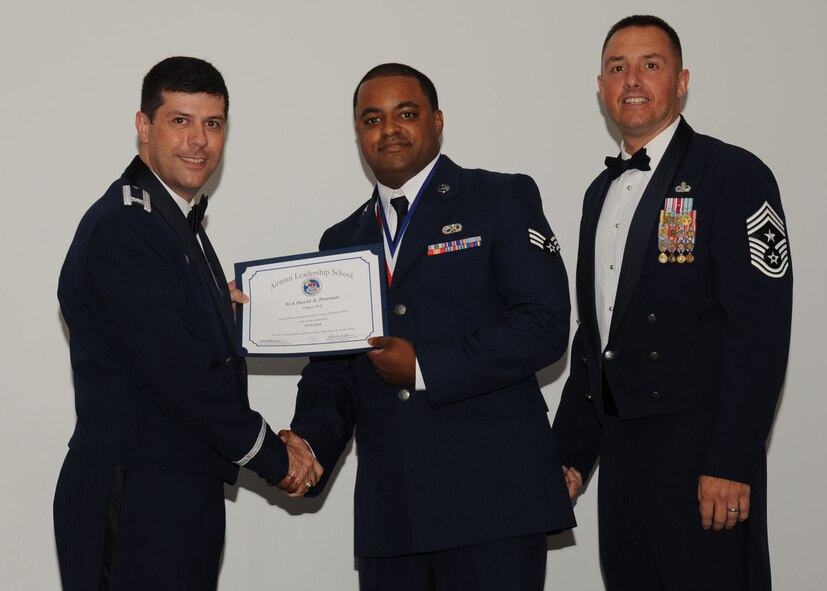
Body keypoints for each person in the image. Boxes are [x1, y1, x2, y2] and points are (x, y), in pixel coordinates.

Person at [279, 63, 575, 590]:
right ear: (358, 135)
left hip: (494, 505)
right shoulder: (341, 240)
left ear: (437, 121)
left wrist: (425, 366)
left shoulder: (500, 198)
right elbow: (333, 375)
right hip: (392, 513)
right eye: (371, 119)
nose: (388, 129)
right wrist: (306, 448)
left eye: (405, 113)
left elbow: (545, 325)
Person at [54, 56, 321, 590]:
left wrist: (215, 309)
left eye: (213, 123)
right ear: (144, 127)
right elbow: (181, 376)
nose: (198, 141)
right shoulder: (127, 228)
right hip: (136, 496)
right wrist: (275, 456)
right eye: (180, 121)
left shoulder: (170, 222)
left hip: (172, 489)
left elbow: (165, 335)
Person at [551, 15, 793, 590]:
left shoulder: (734, 174)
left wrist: (732, 461)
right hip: (623, 454)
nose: (632, 80)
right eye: (618, 68)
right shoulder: (597, 193)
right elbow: (597, 339)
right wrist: (568, 455)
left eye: (650, 65)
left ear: (681, 82)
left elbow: (759, 330)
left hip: (701, 453)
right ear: (602, 86)